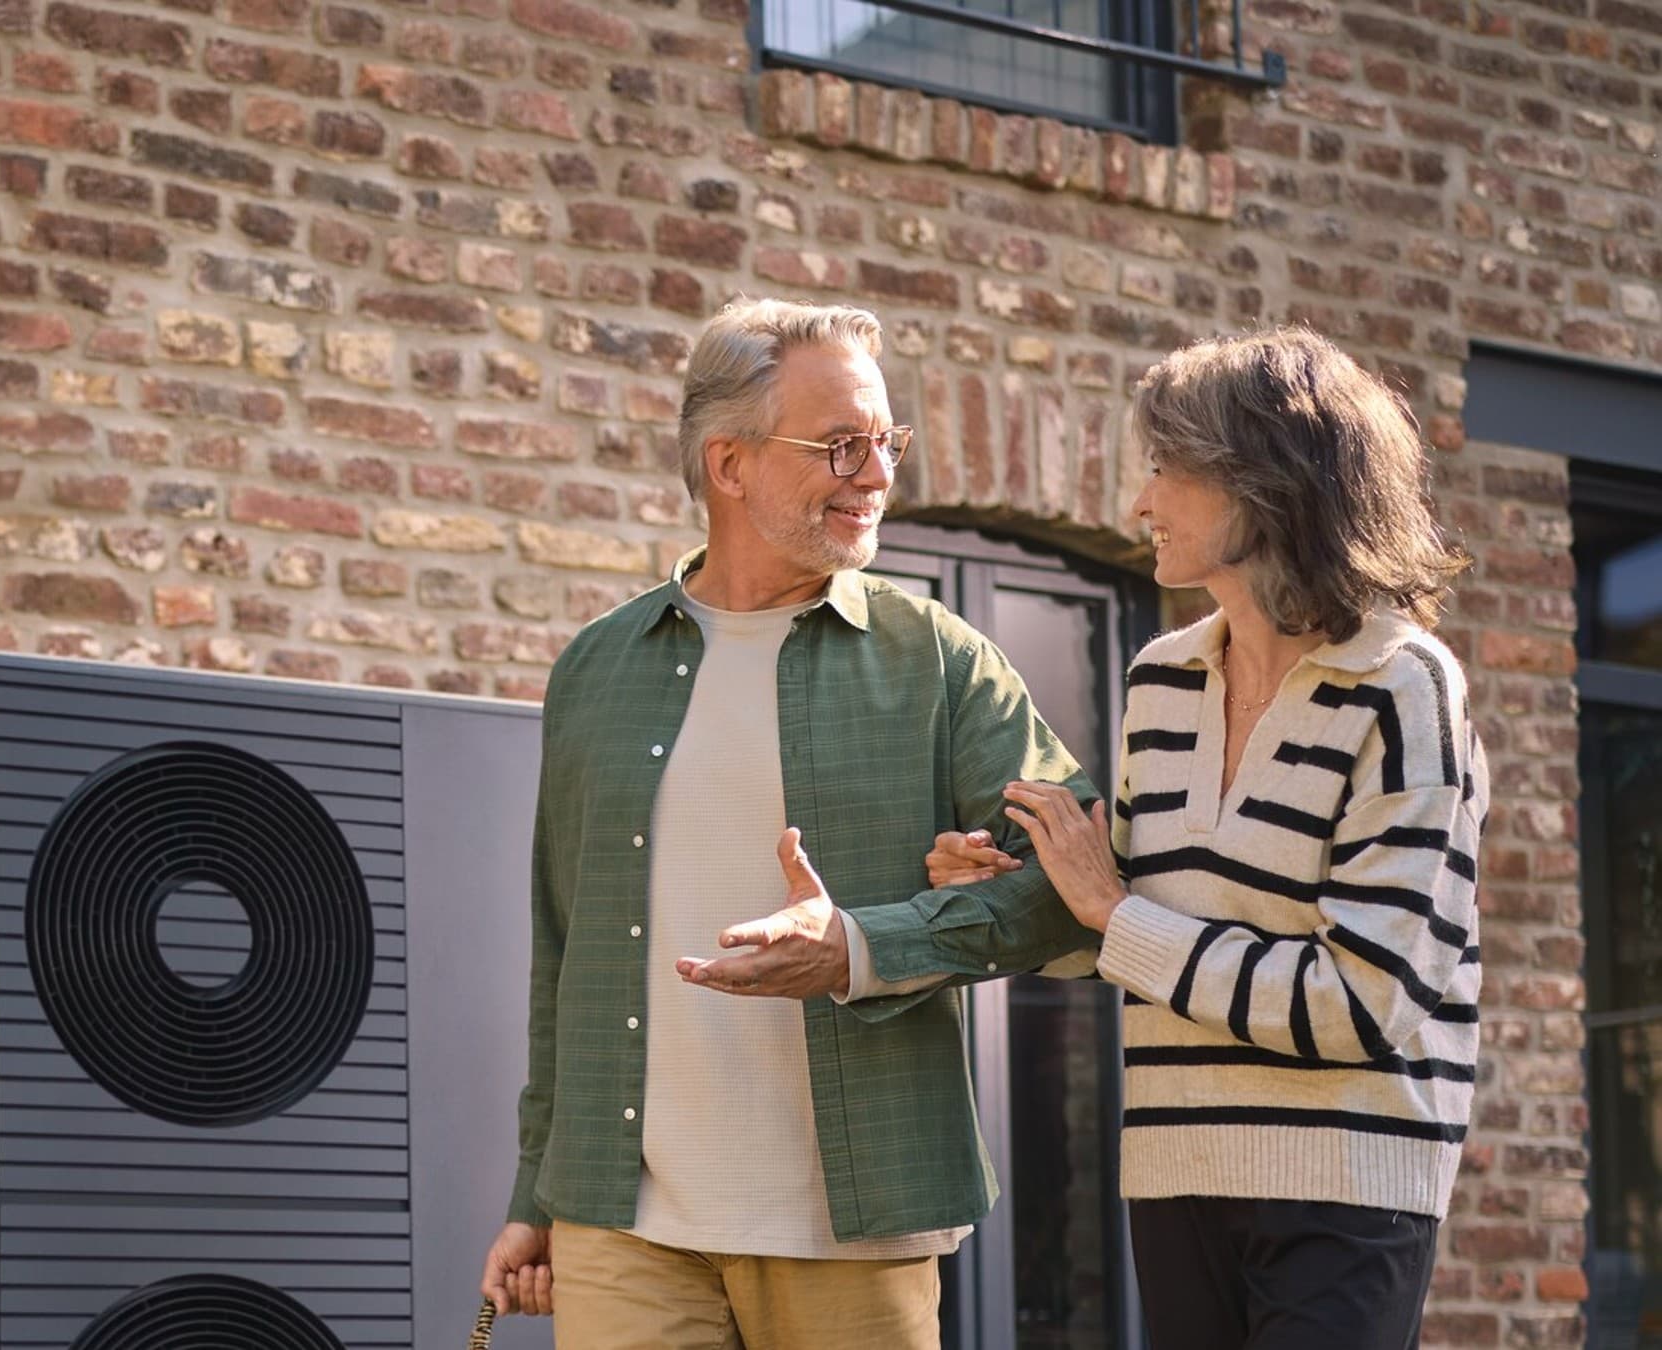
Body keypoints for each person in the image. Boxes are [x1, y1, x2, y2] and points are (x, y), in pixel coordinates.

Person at [478, 297, 1101, 1348]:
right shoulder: (595, 668)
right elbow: (563, 952)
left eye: (887, 442)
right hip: (621, 1226)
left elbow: (1075, 881)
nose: (877, 475)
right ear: (729, 464)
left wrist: (866, 945)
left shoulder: (938, 660)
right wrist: (537, 1193)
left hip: (853, 1227)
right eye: (841, 445)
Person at [930, 327, 1489, 1350]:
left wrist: (1114, 914)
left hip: (1348, 1183)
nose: (1141, 504)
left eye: (1167, 469)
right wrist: (1014, 890)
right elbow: (1127, 933)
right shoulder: (1162, 679)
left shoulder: (1403, 689)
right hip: (1174, 1170)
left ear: (1263, 483)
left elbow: (1366, 1003)